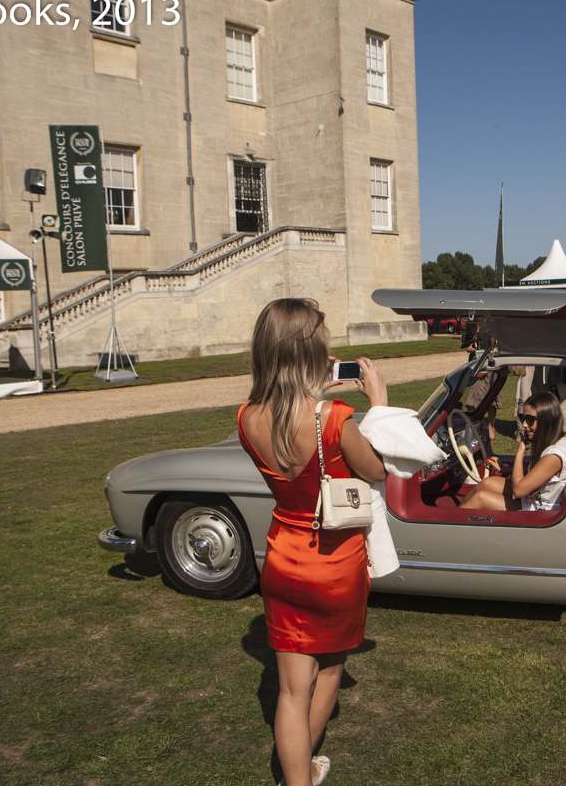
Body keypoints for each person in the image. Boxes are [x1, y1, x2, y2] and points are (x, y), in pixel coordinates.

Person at [236, 298, 388, 786]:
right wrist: (379, 406)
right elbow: (377, 471)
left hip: (282, 556)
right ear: (309, 349)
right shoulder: (336, 417)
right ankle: (300, 774)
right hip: (336, 561)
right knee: (329, 672)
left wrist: (308, 391)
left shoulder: (246, 417)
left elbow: (287, 429)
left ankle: (297, 779)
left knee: (289, 691)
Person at [459, 392, 566, 512]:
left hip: (538, 512)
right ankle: (456, 515)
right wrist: (505, 469)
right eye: (523, 418)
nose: (524, 424)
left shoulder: (555, 455)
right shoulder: (559, 441)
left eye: (530, 419)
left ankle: (450, 525)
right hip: (531, 499)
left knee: (480, 498)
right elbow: (538, 471)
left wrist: (520, 452)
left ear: (546, 420)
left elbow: (519, 491)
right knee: (487, 483)